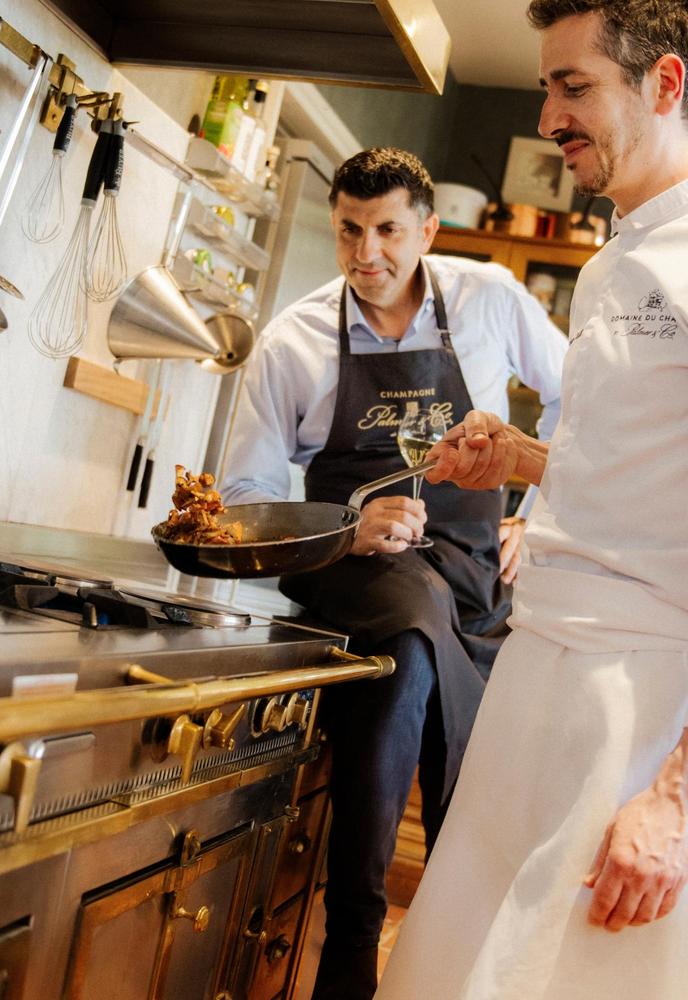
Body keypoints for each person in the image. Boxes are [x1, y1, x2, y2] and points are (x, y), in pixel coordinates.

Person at [376, 3, 688, 999]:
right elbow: (636, 471)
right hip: (533, 672)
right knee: (451, 972)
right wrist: (519, 456)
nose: (547, 116)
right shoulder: (608, 265)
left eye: (573, 86)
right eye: (545, 86)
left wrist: (672, 802)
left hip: (633, 708)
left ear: (666, 86)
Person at [221, 147, 567, 1000]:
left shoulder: (489, 298)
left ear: (427, 229)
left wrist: (539, 511)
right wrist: (347, 526)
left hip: (475, 572)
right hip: (348, 569)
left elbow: (578, 395)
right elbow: (245, 497)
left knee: (475, 740)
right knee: (409, 633)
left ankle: (451, 962)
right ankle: (354, 943)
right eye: (348, 230)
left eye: (386, 231)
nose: (365, 252)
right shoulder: (294, 340)